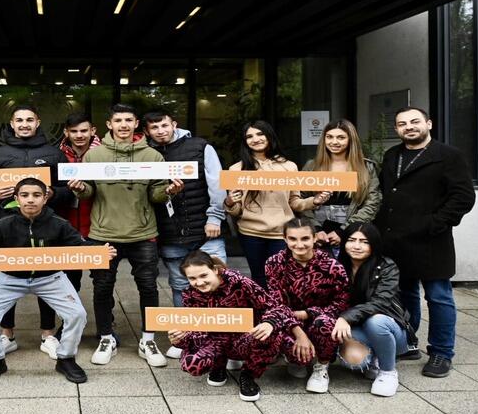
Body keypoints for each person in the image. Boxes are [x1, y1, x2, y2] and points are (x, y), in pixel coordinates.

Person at [0, 178, 115, 384]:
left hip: (50, 278)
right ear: (16, 198)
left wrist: (100, 252)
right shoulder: (3, 224)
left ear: (45, 198)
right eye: (25, 195)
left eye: (36, 195)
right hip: (9, 278)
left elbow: (79, 244)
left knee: (77, 314)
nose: (30, 200)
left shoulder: (59, 223)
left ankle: (66, 358)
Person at [68, 103, 184, 368]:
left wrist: (169, 191)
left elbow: (155, 195)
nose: (123, 125)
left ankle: (148, 339)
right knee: (102, 287)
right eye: (118, 120)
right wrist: (79, 189)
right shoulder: (94, 156)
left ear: (135, 125)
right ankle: (106, 337)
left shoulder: (152, 156)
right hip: (103, 232)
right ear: (109, 124)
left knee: (148, 287)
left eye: (128, 120)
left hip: (142, 233)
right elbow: (89, 193)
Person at [375, 106, 475, 378]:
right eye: (402, 123)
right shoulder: (392, 155)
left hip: (431, 241)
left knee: (439, 297)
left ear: (428, 124)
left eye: (415, 121)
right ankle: (408, 341)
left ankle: (442, 352)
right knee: (403, 295)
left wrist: (434, 223)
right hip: (395, 240)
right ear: (397, 129)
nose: (409, 127)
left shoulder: (448, 156)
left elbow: (463, 197)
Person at [0, 105, 73, 358]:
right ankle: (6, 333)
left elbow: (68, 191)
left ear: (38, 122)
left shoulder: (54, 154)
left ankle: (48, 333)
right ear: (11, 124)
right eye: (19, 120)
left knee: (47, 276)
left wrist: (54, 193)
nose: (24, 124)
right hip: (8, 226)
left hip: (45, 227)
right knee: (8, 278)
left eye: (29, 119)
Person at [143, 110, 228, 359]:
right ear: (147, 131)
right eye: (154, 127)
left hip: (205, 230)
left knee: (218, 282)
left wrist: (215, 217)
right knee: (181, 286)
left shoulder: (200, 147)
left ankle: (222, 337)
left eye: (164, 125)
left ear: (174, 124)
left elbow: (217, 183)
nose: (160, 131)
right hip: (170, 234)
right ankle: (188, 336)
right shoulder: (148, 153)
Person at [168, 250, 297, 402]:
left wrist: (269, 323)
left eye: (203, 275)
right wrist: (179, 339)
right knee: (191, 364)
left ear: (215, 270)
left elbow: (277, 307)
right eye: (192, 278)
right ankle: (218, 365)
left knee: (271, 333)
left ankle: (248, 375)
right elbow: (194, 329)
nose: (199, 282)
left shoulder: (239, 282)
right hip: (214, 340)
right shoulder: (190, 294)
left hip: (244, 338)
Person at [264, 217, 350, 393]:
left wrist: (309, 313)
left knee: (326, 324)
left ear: (314, 238)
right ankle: (295, 358)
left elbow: (341, 301)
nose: (299, 244)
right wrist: (299, 333)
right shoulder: (274, 263)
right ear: (285, 239)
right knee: (272, 329)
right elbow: (276, 302)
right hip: (288, 320)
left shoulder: (332, 266)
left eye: (305, 239)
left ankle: (321, 367)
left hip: (319, 319)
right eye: (293, 239)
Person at [331, 222, 417, 397]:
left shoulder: (387, 266)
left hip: (390, 329)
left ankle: (388, 372)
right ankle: (373, 358)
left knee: (375, 321)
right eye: (351, 240)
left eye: (364, 242)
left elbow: (381, 302)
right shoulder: (336, 266)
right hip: (357, 329)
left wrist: (345, 317)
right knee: (355, 360)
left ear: (374, 244)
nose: (356, 246)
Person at [224, 121, 303, 288]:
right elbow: (236, 211)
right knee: (259, 279)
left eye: (260, 134)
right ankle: (262, 314)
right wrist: (230, 202)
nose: (255, 139)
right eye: (249, 136)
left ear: (269, 136)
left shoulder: (289, 167)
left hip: (281, 233)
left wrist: (314, 201)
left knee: (282, 279)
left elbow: (294, 203)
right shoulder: (236, 169)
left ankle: (281, 313)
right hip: (251, 233)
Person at [51, 112, 102, 355]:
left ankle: (105, 327)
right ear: (66, 133)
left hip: (99, 224)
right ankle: (67, 325)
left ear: (93, 130)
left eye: (84, 131)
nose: (79, 136)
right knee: (69, 281)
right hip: (67, 226)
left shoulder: (105, 153)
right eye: (74, 131)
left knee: (103, 280)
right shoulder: (56, 155)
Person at [296, 119, 383, 257]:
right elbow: (301, 199)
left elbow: (373, 202)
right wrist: (315, 229)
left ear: (351, 140)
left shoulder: (366, 167)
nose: (334, 142)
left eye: (341, 137)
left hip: (353, 232)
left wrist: (344, 231)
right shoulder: (312, 166)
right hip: (317, 233)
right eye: (329, 137)